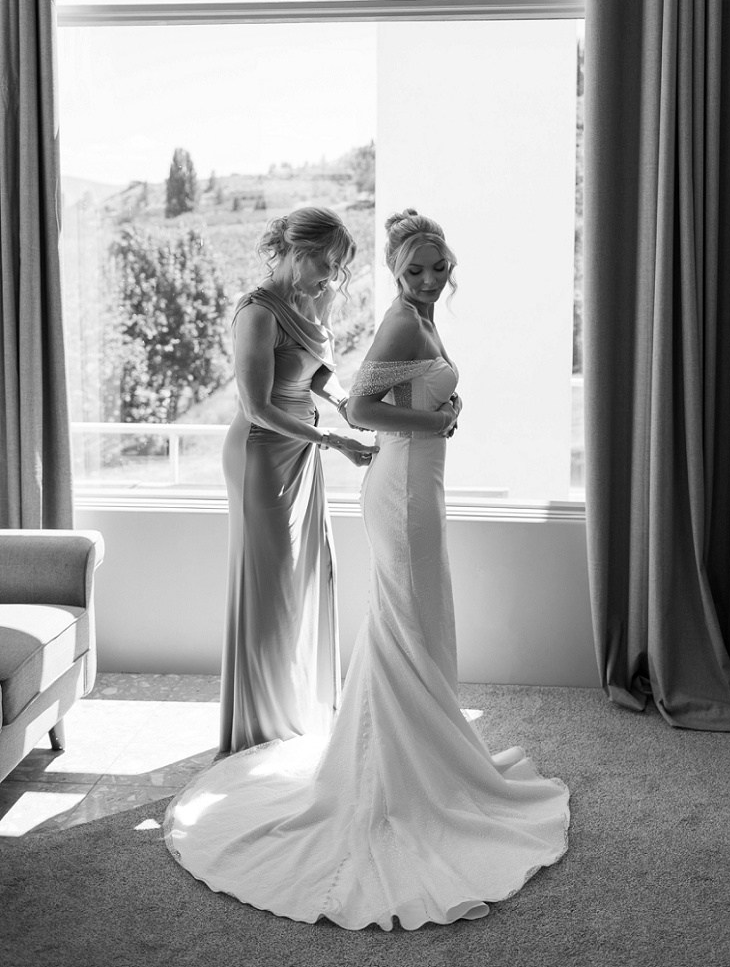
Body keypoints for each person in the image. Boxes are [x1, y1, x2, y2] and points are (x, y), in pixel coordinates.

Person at [165, 209, 570, 929]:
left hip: (386, 472)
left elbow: (342, 383)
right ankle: (330, 754)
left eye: (439, 267)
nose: (429, 279)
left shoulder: (396, 315)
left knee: (396, 612)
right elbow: (343, 405)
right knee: (368, 611)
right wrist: (399, 426)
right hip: (322, 464)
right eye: (415, 269)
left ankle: (397, 749)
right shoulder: (316, 315)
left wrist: (438, 403)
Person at [218, 207, 375, 754]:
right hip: (261, 455)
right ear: (296, 251)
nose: (332, 276)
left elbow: (317, 370)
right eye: (326, 263)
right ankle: (260, 726)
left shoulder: (316, 298)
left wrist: (344, 402)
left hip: (302, 450)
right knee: (271, 589)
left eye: (337, 267)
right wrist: (334, 439)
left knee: (311, 575)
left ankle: (299, 709)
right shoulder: (257, 313)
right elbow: (257, 408)